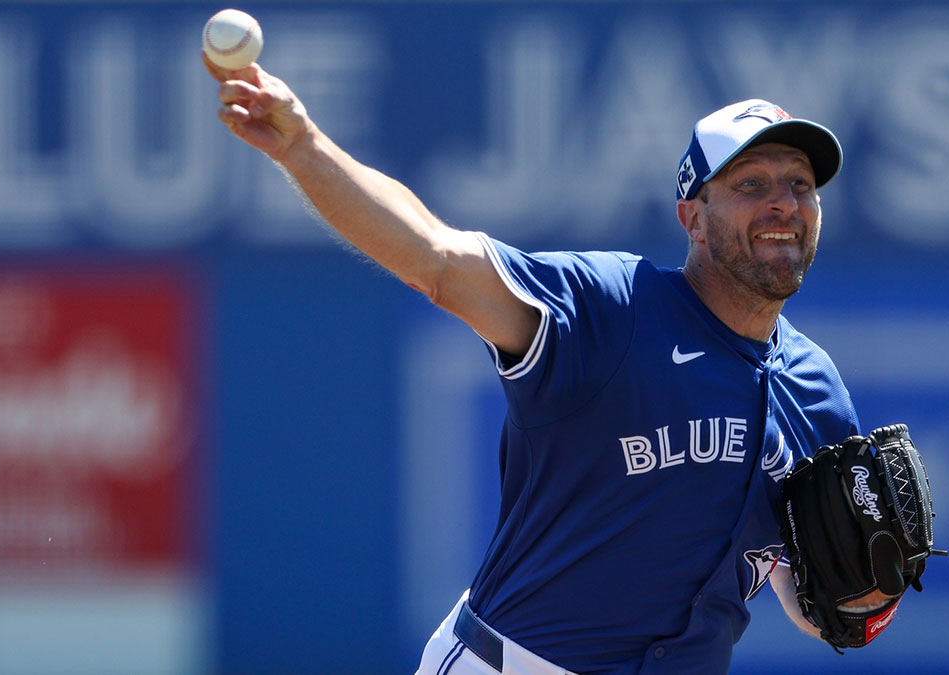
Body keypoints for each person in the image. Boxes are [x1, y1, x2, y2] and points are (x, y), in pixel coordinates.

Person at [203, 53, 895, 674]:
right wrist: (304, 148)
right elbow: (438, 260)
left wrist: (863, 602)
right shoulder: (611, 309)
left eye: (800, 184)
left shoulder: (816, 388)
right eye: (751, 182)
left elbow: (807, 591)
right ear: (692, 213)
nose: (783, 202)